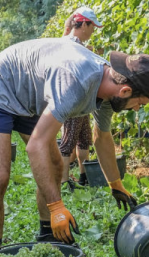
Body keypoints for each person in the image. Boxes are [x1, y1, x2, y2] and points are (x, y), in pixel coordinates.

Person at [0, 38, 149, 249]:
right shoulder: (76, 82)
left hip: (29, 95)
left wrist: (115, 184)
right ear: (125, 91)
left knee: (55, 166)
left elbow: (102, 137)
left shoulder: (110, 91)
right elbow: (36, 145)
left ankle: (47, 235)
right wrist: (56, 206)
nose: (136, 109)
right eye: (139, 103)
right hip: (0, 84)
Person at [59, 7, 103, 188]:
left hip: (83, 102)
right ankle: (64, 181)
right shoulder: (71, 45)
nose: (93, 31)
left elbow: (66, 27)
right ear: (84, 24)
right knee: (68, 142)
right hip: (72, 101)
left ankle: (84, 176)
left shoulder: (77, 43)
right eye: (92, 26)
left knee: (84, 139)